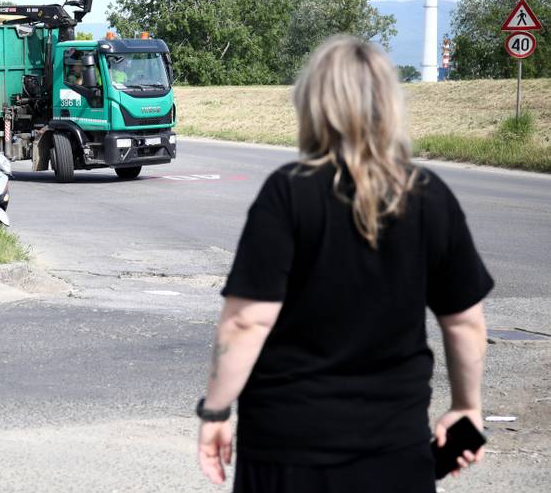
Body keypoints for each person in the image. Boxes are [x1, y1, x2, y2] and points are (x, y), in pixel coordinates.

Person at [196, 36, 493, 492]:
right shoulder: (428, 195)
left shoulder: (288, 191)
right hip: (395, 453)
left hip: (288, 452)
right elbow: (465, 324)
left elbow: (246, 322)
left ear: (313, 105)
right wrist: (467, 407)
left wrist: (216, 411)